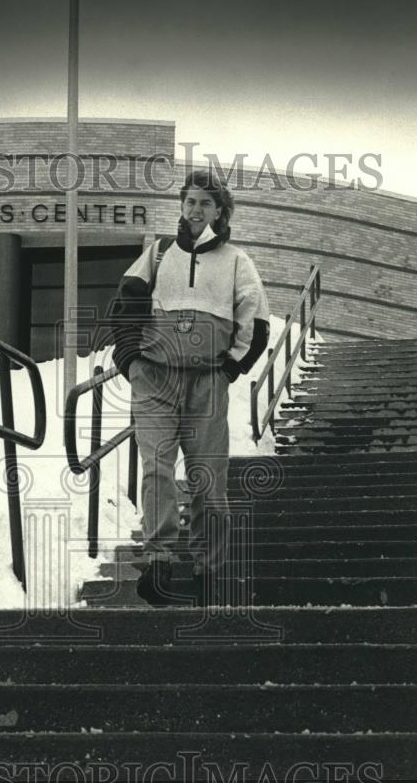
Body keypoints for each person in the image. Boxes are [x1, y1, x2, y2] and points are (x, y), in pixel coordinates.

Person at [108, 169, 270, 607]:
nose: (196, 210)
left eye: (205, 203)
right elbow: (125, 306)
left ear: (220, 210)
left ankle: (209, 571)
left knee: (208, 482)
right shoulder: (158, 253)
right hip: (155, 379)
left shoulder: (238, 260)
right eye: (190, 201)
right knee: (156, 469)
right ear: (181, 205)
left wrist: (230, 370)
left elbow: (254, 322)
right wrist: (130, 361)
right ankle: (159, 562)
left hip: (207, 383)